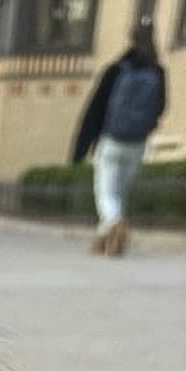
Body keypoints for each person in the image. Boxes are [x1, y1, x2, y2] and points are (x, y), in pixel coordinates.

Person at [72, 21, 166, 256]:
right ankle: (108, 241)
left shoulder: (115, 70)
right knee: (119, 193)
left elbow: (95, 109)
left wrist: (81, 147)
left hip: (111, 140)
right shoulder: (158, 72)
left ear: (130, 39)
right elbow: (161, 106)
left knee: (106, 192)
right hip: (137, 143)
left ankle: (114, 225)